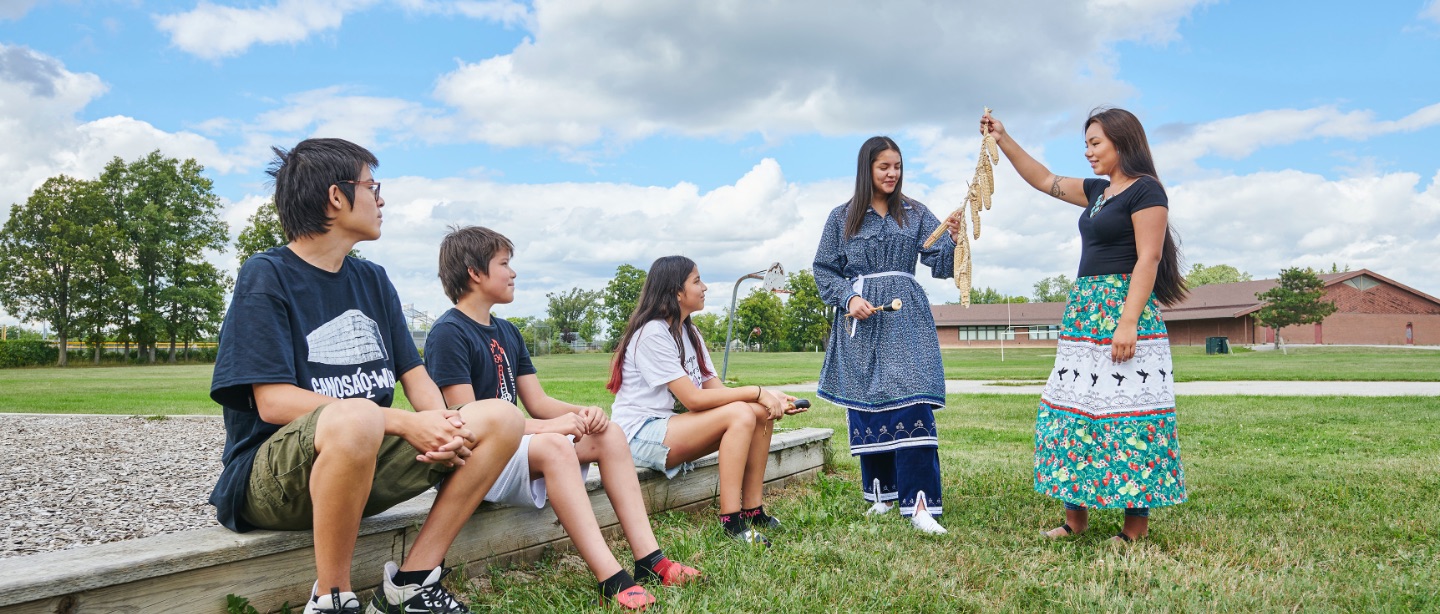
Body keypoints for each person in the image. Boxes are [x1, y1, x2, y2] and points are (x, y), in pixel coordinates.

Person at [208, 138, 524, 614]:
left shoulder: (372, 279)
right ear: (336, 197)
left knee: (500, 418)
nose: (381, 200)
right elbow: (272, 401)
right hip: (273, 481)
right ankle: (332, 598)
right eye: (372, 187)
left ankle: (413, 582)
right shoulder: (267, 274)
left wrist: (443, 426)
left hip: (363, 460)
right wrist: (400, 423)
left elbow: (414, 373)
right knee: (357, 415)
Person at [423, 226, 701, 611]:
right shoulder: (448, 333)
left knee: (611, 434)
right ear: (474, 272)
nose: (513, 272)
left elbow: (537, 401)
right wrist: (555, 428)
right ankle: (610, 577)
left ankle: (650, 561)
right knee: (554, 445)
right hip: (476, 463)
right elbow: (468, 423)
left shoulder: (507, 331)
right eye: (504, 264)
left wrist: (582, 413)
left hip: (512, 451)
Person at [981, 108, 1189, 543]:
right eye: (1088, 143)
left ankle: (1135, 528)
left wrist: (1128, 321)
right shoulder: (1098, 191)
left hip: (1122, 309)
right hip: (1084, 313)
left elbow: (1148, 259)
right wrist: (1003, 138)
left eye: (1096, 143)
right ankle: (1075, 519)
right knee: (1074, 412)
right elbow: (1044, 179)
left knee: (1131, 417)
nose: (1088, 151)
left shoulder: (1146, 191)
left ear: (1122, 143)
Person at [813, 136, 963, 535]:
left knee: (912, 397)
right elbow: (824, 269)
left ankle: (920, 504)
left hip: (906, 316)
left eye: (897, 166)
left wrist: (953, 238)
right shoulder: (841, 217)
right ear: (868, 169)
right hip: (861, 319)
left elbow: (941, 263)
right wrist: (848, 298)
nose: (892, 173)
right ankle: (880, 496)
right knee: (870, 401)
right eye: (884, 166)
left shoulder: (915, 212)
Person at [607, 256, 805, 547]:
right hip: (637, 435)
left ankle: (753, 510)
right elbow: (694, 399)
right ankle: (731, 521)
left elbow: (715, 389)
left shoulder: (690, 331)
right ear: (676, 291)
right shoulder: (652, 332)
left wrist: (768, 398)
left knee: (757, 413)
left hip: (670, 427)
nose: (705, 287)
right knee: (741, 412)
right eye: (696, 281)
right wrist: (756, 391)